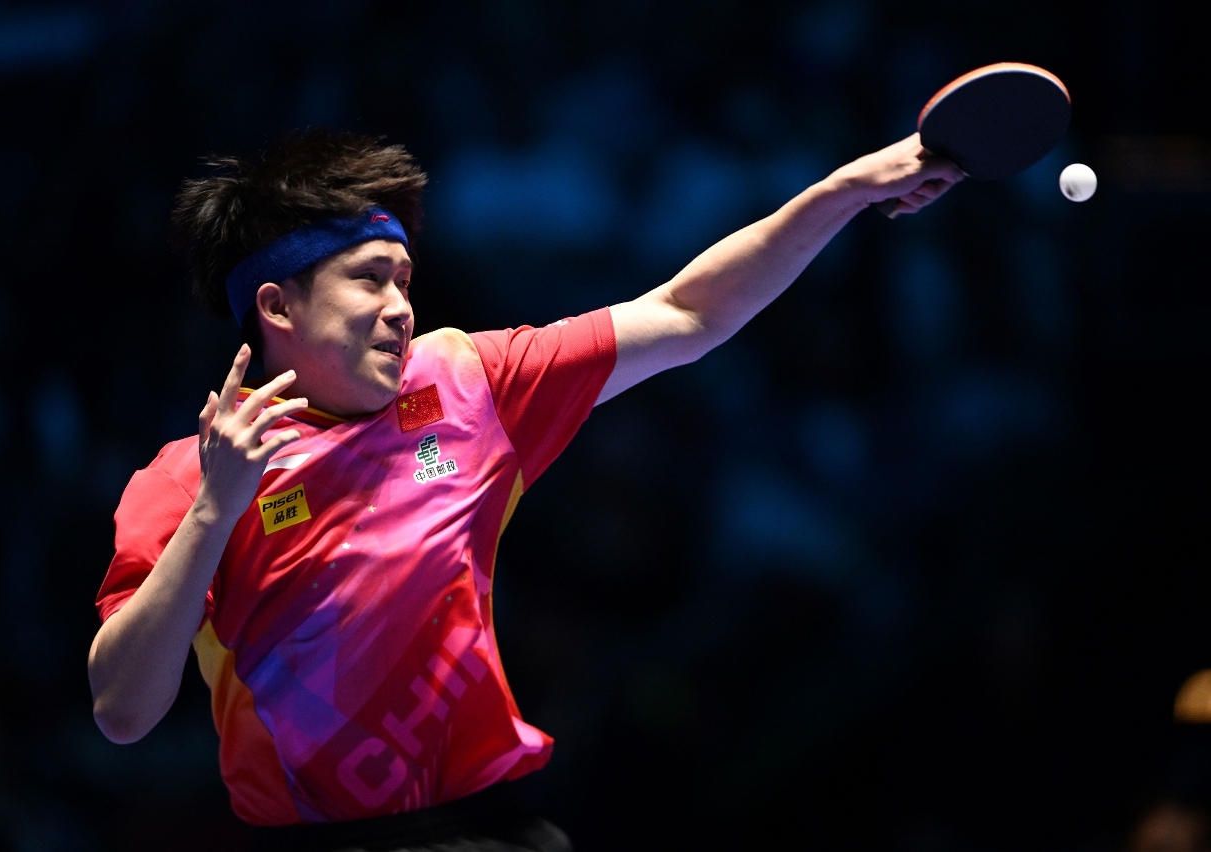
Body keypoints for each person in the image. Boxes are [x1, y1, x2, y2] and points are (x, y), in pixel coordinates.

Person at [88, 129, 962, 850]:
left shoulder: (466, 383)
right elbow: (123, 712)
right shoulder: (184, 480)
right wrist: (216, 510)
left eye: (405, 280)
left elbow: (689, 312)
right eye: (369, 279)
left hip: (492, 827)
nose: (400, 307)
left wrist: (843, 192)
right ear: (279, 308)